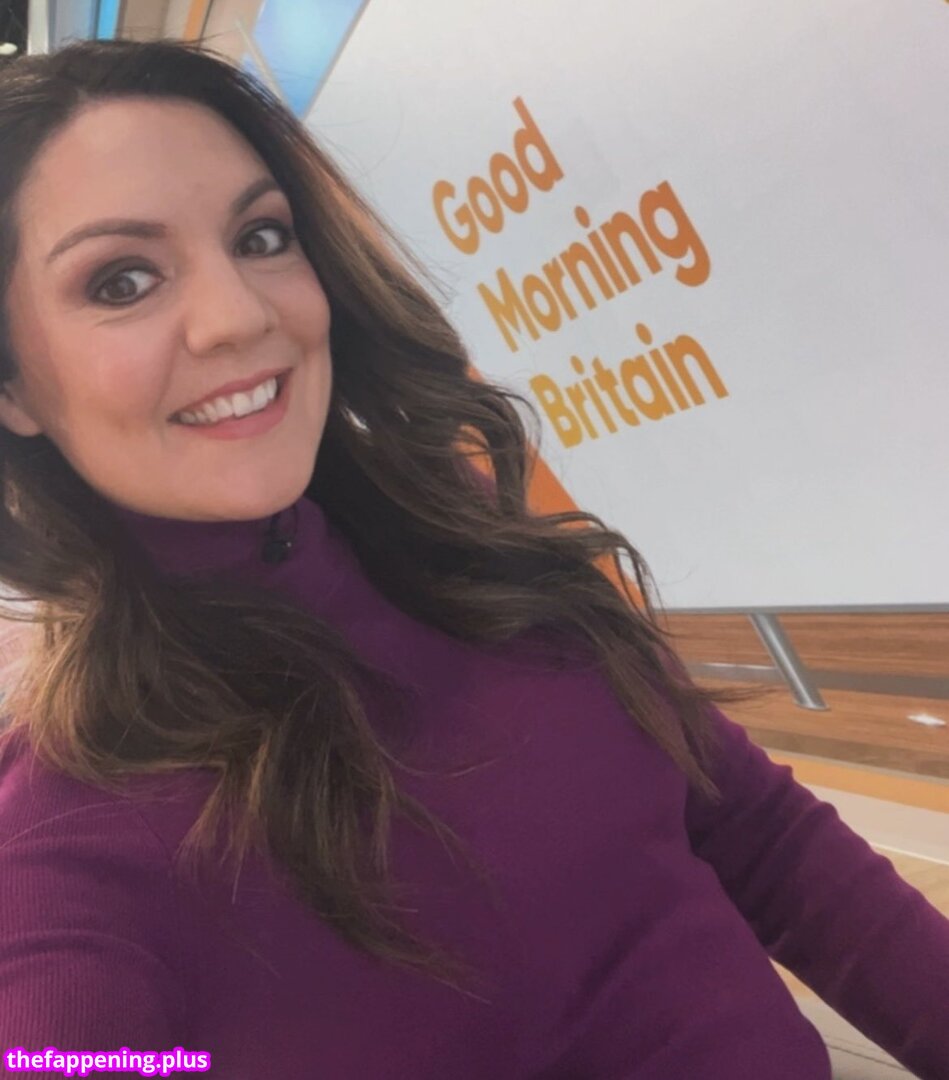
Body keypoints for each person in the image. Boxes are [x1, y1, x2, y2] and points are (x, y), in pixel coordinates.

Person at [0, 37, 945, 1080]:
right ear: (13, 388)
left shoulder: (454, 533)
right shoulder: (65, 849)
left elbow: (757, 833)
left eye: (261, 236)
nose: (240, 315)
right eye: (123, 280)